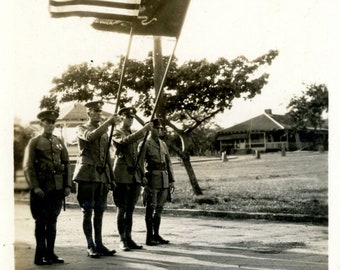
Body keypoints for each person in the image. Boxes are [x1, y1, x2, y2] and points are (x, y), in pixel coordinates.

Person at [23, 110, 72, 265]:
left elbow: (66, 164)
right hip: (42, 189)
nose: (51, 125)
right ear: (41, 124)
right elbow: (28, 167)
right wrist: (35, 187)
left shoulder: (59, 141)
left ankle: (50, 253)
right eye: (48, 122)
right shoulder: (35, 142)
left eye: (53, 123)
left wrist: (67, 185)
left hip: (57, 189)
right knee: (41, 222)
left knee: (52, 222)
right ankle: (39, 256)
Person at [73, 100, 120, 258]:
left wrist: (111, 178)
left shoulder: (105, 132)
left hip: (101, 176)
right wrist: (108, 122)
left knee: (99, 211)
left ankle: (99, 244)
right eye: (95, 111)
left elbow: (107, 156)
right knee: (87, 211)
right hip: (87, 175)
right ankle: (90, 245)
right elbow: (91, 137)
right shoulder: (81, 128)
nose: (99, 114)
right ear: (89, 113)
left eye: (100, 111)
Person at [112, 107, 152, 251]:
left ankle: (129, 238)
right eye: (128, 117)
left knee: (130, 210)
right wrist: (143, 131)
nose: (130, 119)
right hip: (121, 176)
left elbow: (137, 158)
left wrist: (142, 175)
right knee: (121, 208)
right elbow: (123, 142)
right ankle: (122, 239)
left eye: (132, 117)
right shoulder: (116, 132)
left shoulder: (134, 134)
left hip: (134, 176)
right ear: (121, 117)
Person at [139, 118, 175, 246]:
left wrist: (171, 180)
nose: (158, 130)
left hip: (164, 178)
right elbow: (140, 163)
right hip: (152, 179)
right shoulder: (145, 143)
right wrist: (143, 179)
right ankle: (149, 237)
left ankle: (156, 234)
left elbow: (168, 162)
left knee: (159, 208)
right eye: (155, 127)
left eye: (159, 128)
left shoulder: (163, 143)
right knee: (151, 207)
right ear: (149, 128)